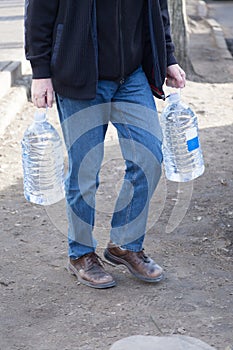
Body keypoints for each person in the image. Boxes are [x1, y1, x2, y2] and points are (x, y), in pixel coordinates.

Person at [25, 0, 186, 289]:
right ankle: (81, 254)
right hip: (79, 74)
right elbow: (38, 13)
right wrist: (40, 72)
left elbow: (157, 9)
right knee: (85, 171)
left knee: (148, 156)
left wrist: (169, 57)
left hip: (133, 76)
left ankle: (124, 244)